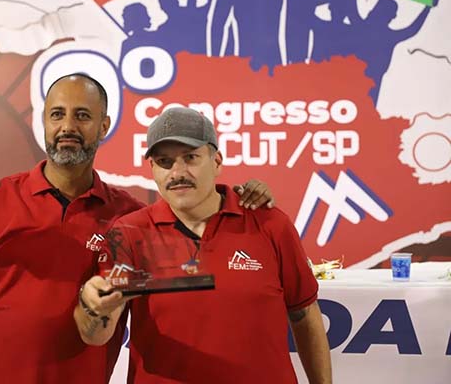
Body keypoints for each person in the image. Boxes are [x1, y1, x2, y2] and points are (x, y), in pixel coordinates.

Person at [0, 74, 276, 383]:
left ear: (104, 125)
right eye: (57, 114)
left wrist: (241, 196)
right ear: (43, 122)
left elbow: (198, 229)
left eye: (82, 116)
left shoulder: (131, 217)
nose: (67, 126)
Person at [76, 107, 332, 383]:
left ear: (217, 161)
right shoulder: (128, 234)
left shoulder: (270, 223)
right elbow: (97, 334)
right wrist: (93, 309)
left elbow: (304, 313)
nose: (177, 172)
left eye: (190, 157)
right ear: (153, 169)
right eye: (164, 161)